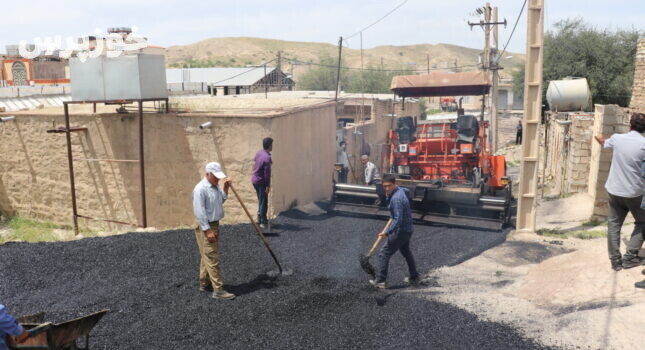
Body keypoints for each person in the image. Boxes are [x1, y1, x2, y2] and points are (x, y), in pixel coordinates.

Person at [594, 113, 645, 271]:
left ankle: (615, 261)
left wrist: (597, 133)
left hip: (614, 190)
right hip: (635, 192)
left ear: (630, 126)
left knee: (614, 224)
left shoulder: (617, 139)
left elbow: (602, 142)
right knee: (642, 222)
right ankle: (630, 257)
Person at [192, 162, 236, 300]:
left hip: (214, 224)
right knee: (212, 257)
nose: (218, 179)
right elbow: (200, 212)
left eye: (219, 177)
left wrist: (226, 188)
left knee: (207, 255)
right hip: (206, 225)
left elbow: (220, 201)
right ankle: (218, 290)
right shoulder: (200, 189)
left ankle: (204, 283)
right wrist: (207, 230)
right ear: (207, 174)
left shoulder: (215, 186)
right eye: (215, 177)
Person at [370, 174, 420, 289]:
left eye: (389, 186)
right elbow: (406, 190)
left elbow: (398, 219)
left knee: (384, 253)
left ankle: (381, 281)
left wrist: (387, 232)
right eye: (385, 186)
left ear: (394, 184)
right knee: (406, 253)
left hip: (401, 231)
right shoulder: (401, 191)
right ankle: (414, 276)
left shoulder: (396, 199)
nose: (387, 189)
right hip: (408, 229)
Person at [252, 137, 273, 229]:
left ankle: (259, 218)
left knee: (261, 200)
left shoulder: (260, 152)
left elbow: (256, 160)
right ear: (269, 145)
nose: (273, 146)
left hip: (255, 180)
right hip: (261, 182)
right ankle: (263, 221)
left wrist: (268, 161)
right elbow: (267, 174)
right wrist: (267, 186)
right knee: (264, 201)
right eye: (272, 144)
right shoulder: (267, 158)